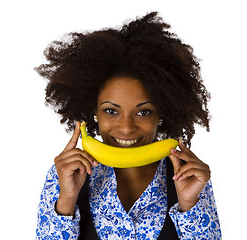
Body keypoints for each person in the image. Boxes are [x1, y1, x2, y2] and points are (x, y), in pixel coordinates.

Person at [35, 12, 221, 239]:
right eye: (111, 111)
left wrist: (190, 204)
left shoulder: (189, 176)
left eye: (143, 112)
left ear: (161, 113)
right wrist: (66, 199)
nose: (126, 127)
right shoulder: (65, 175)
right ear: (94, 112)